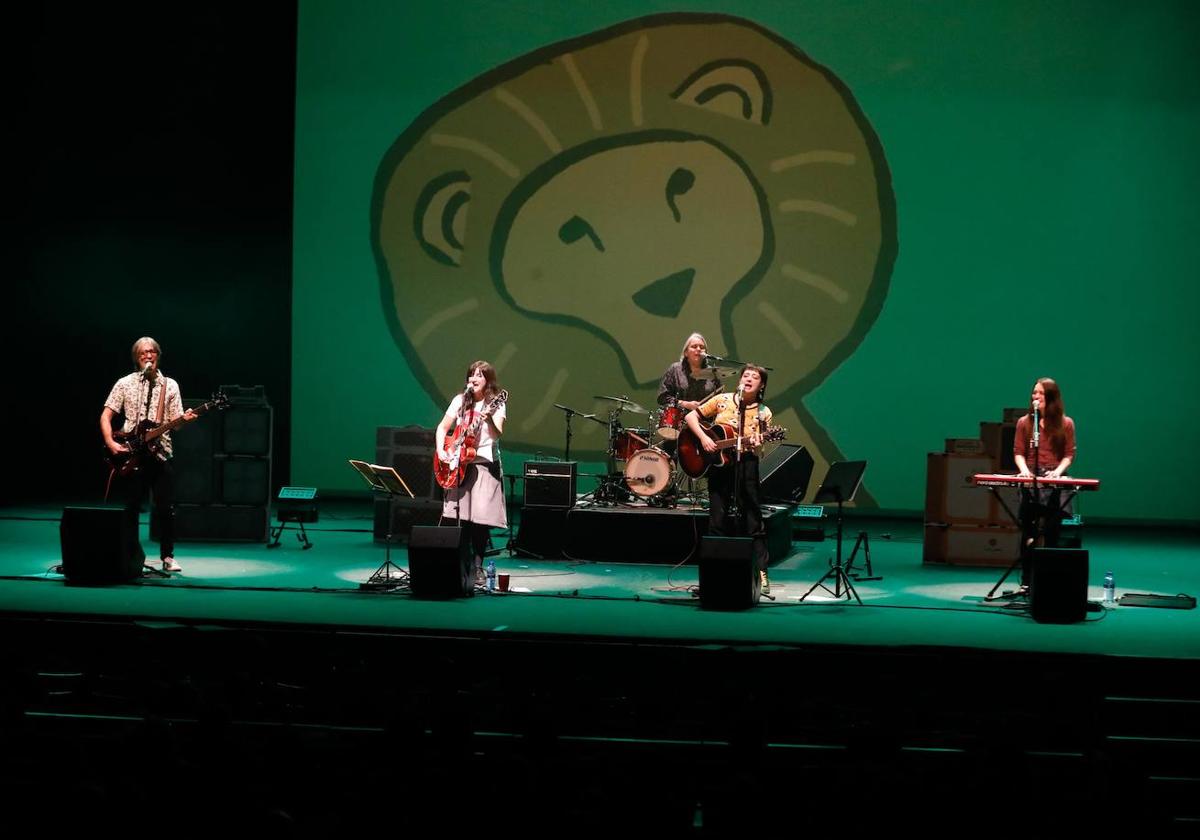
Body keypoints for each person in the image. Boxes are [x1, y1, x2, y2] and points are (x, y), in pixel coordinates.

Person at [100, 337, 196, 573]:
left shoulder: (170, 385)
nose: (148, 356)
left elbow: (177, 423)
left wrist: (185, 419)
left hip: (161, 453)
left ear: (158, 355)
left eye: (152, 352)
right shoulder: (124, 383)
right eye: (143, 353)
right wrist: (110, 442)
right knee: (131, 507)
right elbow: (106, 416)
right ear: (137, 357)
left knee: (165, 507)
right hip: (131, 453)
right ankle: (132, 555)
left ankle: (168, 556)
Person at [684, 364, 774, 593]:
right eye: (746, 375)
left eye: (755, 377)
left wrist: (756, 442)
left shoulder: (764, 412)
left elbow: (761, 442)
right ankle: (714, 574)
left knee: (753, 517)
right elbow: (691, 416)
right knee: (717, 517)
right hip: (719, 466)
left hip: (746, 465)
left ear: (761, 385)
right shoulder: (722, 399)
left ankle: (761, 574)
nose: (749, 379)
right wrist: (704, 438)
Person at [436, 360, 508, 586]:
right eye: (471, 375)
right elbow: (442, 428)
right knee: (463, 519)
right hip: (459, 464)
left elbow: (497, 435)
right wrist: (442, 451)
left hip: (484, 464)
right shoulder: (460, 400)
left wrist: (488, 422)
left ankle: (477, 568)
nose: (473, 379)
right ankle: (461, 564)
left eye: (479, 375)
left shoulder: (495, 403)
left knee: (480, 520)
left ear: (488, 381)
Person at [1013, 377, 1077, 584]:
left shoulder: (1066, 423)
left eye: (1040, 393)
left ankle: (1048, 581)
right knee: (1028, 531)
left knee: (1052, 531)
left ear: (1051, 397)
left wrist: (1058, 472)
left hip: (1054, 479)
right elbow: (1018, 452)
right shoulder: (1025, 422)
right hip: (1031, 478)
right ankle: (1026, 581)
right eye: (1034, 393)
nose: (1035, 397)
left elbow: (1069, 454)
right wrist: (1024, 472)